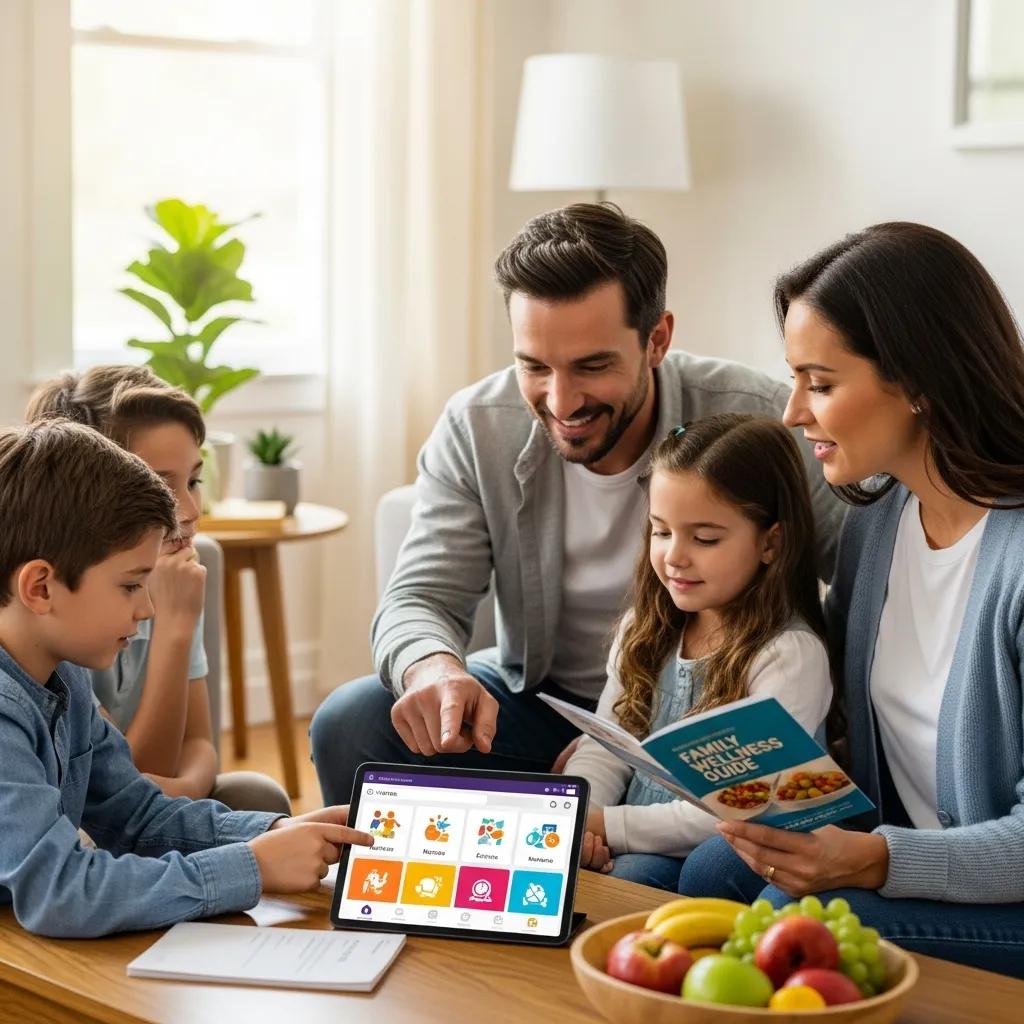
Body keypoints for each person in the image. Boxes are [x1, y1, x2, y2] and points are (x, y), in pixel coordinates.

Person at [311, 203, 844, 805]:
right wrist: (435, 669)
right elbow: (419, 596)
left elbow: (854, 583)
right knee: (351, 719)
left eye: (593, 366)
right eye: (534, 366)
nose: (561, 401)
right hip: (537, 701)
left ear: (657, 339)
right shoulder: (477, 427)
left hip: (703, 714)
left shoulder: (757, 415)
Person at [677, 222, 1024, 978]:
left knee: (790, 923)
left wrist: (872, 861)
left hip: (1007, 893)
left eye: (822, 383)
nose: (793, 412)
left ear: (919, 383)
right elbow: (837, 730)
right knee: (709, 874)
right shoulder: (877, 524)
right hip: (904, 853)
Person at [0, 420, 372, 937]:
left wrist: (274, 833)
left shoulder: (63, 675)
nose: (148, 608)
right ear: (40, 587)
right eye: (131, 585)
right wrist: (254, 867)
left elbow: (137, 816)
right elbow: (61, 892)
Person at [565, 414, 832, 891]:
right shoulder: (644, 629)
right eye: (661, 531)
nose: (674, 556)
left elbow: (742, 807)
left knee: (639, 878)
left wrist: (611, 827)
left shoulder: (788, 655)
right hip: (629, 829)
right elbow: (605, 745)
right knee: (586, 872)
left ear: (770, 542)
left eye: (704, 538)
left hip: (725, 842)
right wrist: (579, 814)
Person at [27, 366, 290, 814]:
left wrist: (177, 791)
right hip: (82, 815)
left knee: (257, 796)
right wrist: (174, 627)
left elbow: (200, 742)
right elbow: (122, 780)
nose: (187, 510)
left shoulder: (177, 572)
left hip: (148, 802)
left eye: (193, 481)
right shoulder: (63, 599)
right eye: (159, 486)